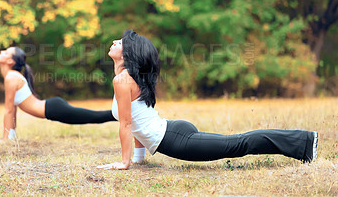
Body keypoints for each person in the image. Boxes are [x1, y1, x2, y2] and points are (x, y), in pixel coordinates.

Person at [97, 30, 318, 170]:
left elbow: (126, 124)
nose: (115, 41)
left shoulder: (124, 81)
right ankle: (302, 143)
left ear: (129, 55)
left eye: (121, 42)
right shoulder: (124, 79)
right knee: (236, 143)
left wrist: (125, 163)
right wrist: (138, 158)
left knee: (238, 144)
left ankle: (304, 143)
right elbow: (136, 122)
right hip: (173, 132)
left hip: (176, 139)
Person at [0, 46, 116, 141]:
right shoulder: (12, 76)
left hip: (53, 109)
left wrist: (5, 139)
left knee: (94, 116)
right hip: (52, 107)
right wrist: (10, 137)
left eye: (6, 52)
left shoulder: (11, 77)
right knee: (93, 117)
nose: (1, 51)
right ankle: (119, 115)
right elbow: (12, 110)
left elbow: (9, 110)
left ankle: (120, 115)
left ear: (10, 61)